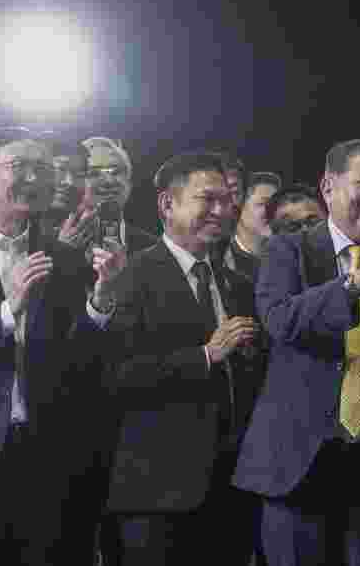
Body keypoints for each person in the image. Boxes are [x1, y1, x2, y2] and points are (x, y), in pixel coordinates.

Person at [233, 139, 360, 566]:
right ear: (328, 186)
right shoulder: (289, 249)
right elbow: (280, 320)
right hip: (298, 463)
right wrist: (355, 282)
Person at [98, 152, 266, 566]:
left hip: (233, 488)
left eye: (226, 200)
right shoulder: (132, 276)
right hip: (159, 495)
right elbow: (116, 375)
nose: (221, 211)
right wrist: (206, 355)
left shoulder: (237, 283)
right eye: (207, 199)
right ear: (167, 205)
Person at [0, 127, 126, 565]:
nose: (34, 178)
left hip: (48, 458)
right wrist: (6, 312)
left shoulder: (61, 255)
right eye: (19, 166)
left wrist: (101, 301)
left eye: (42, 168)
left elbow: (76, 356)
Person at [82, 137, 158, 254]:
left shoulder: (155, 248)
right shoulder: (54, 244)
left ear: (129, 183)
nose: (108, 181)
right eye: (94, 173)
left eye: (116, 172)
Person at [224, 171, 282, 280]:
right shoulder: (221, 260)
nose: (274, 212)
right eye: (264, 203)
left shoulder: (287, 255)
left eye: (277, 204)